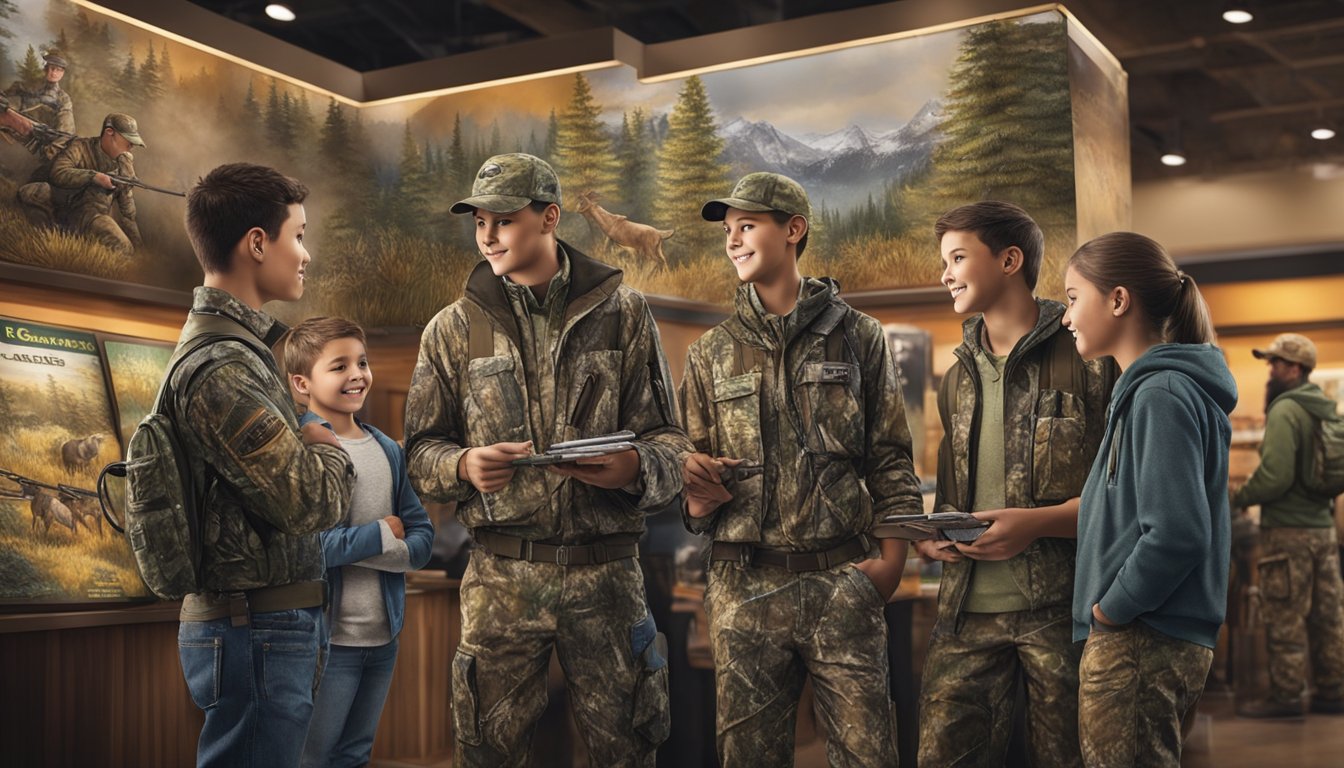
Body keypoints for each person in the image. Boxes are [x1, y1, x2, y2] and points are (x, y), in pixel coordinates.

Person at [403, 153, 690, 767]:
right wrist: (463, 467)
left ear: (550, 217)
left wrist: (635, 468)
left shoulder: (626, 315)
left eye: (503, 218)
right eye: (479, 220)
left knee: (629, 754)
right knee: (487, 756)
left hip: (608, 580)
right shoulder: (450, 330)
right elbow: (420, 452)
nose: (487, 234)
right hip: (500, 583)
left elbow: (671, 442)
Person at [678, 171, 920, 766]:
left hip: (842, 580)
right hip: (743, 585)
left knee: (869, 757)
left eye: (748, 226)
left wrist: (888, 568)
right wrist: (695, 498)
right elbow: (689, 479)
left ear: (794, 230)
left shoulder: (859, 337)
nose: (734, 240)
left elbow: (890, 458)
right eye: (728, 231)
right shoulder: (709, 352)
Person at [914, 201, 1115, 767]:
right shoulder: (956, 376)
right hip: (964, 613)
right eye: (944, 260)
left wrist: (1042, 523)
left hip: (1066, 610)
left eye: (957, 257)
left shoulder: (1091, 360)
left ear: (1009, 260)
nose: (945, 273)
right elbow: (955, 490)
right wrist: (936, 533)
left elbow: (1125, 496)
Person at [175, 162, 355, 768]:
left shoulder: (246, 355)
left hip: (266, 625)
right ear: (257, 242)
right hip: (255, 629)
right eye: (297, 235)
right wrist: (325, 436)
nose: (305, 253)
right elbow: (310, 501)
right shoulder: (225, 367)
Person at [1064, 231, 1236, 767]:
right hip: (1149, 636)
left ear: (1118, 300)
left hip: (1142, 638)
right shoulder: (1155, 391)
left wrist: (1111, 612)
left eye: (1073, 298)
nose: (1066, 317)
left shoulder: (1159, 394)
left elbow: (1178, 533)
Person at [284, 317, 435, 767]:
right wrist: (381, 535)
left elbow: (423, 538)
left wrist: (373, 549)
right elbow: (305, 550)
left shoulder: (389, 449)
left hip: (383, 636)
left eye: (362, 362)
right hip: (327, 642)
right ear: (301, 383)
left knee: (356, 754)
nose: (357, 374)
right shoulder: (301, 449)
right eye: (339, 366)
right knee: (313, 757)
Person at [1232, 332, 1344, 719]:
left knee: (1285, 614)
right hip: (1323, 530)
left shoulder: (1285, 410)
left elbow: (1275, 476)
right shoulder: (1326, 409)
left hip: (1287, 533)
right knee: (1328, 615)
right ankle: (1332, 692)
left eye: (1276, 362)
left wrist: (1237, 497)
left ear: (1294, 368)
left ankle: (1288, 697)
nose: (1270, 369)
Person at [22, 113, 144, 254]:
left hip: (92, 216)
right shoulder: (80, 146)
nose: (131, 146)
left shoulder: (124, 163)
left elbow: (127, 213)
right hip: (63, 205)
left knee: (124, 248)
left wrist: (140, 249)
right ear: (109, 132)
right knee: (30, 193)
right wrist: (94, 177)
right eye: (128, 140)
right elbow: (58, 173)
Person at [1, 47, 75, 160]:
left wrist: (49, 153)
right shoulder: (27, 86)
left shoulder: (63, 99)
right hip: (14, 134)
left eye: (59, 69)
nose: (54, 72)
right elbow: (6, 95)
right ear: (45, 68)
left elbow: (66, 133)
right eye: (51, 68)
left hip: (39, 146)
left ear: (63, 73)